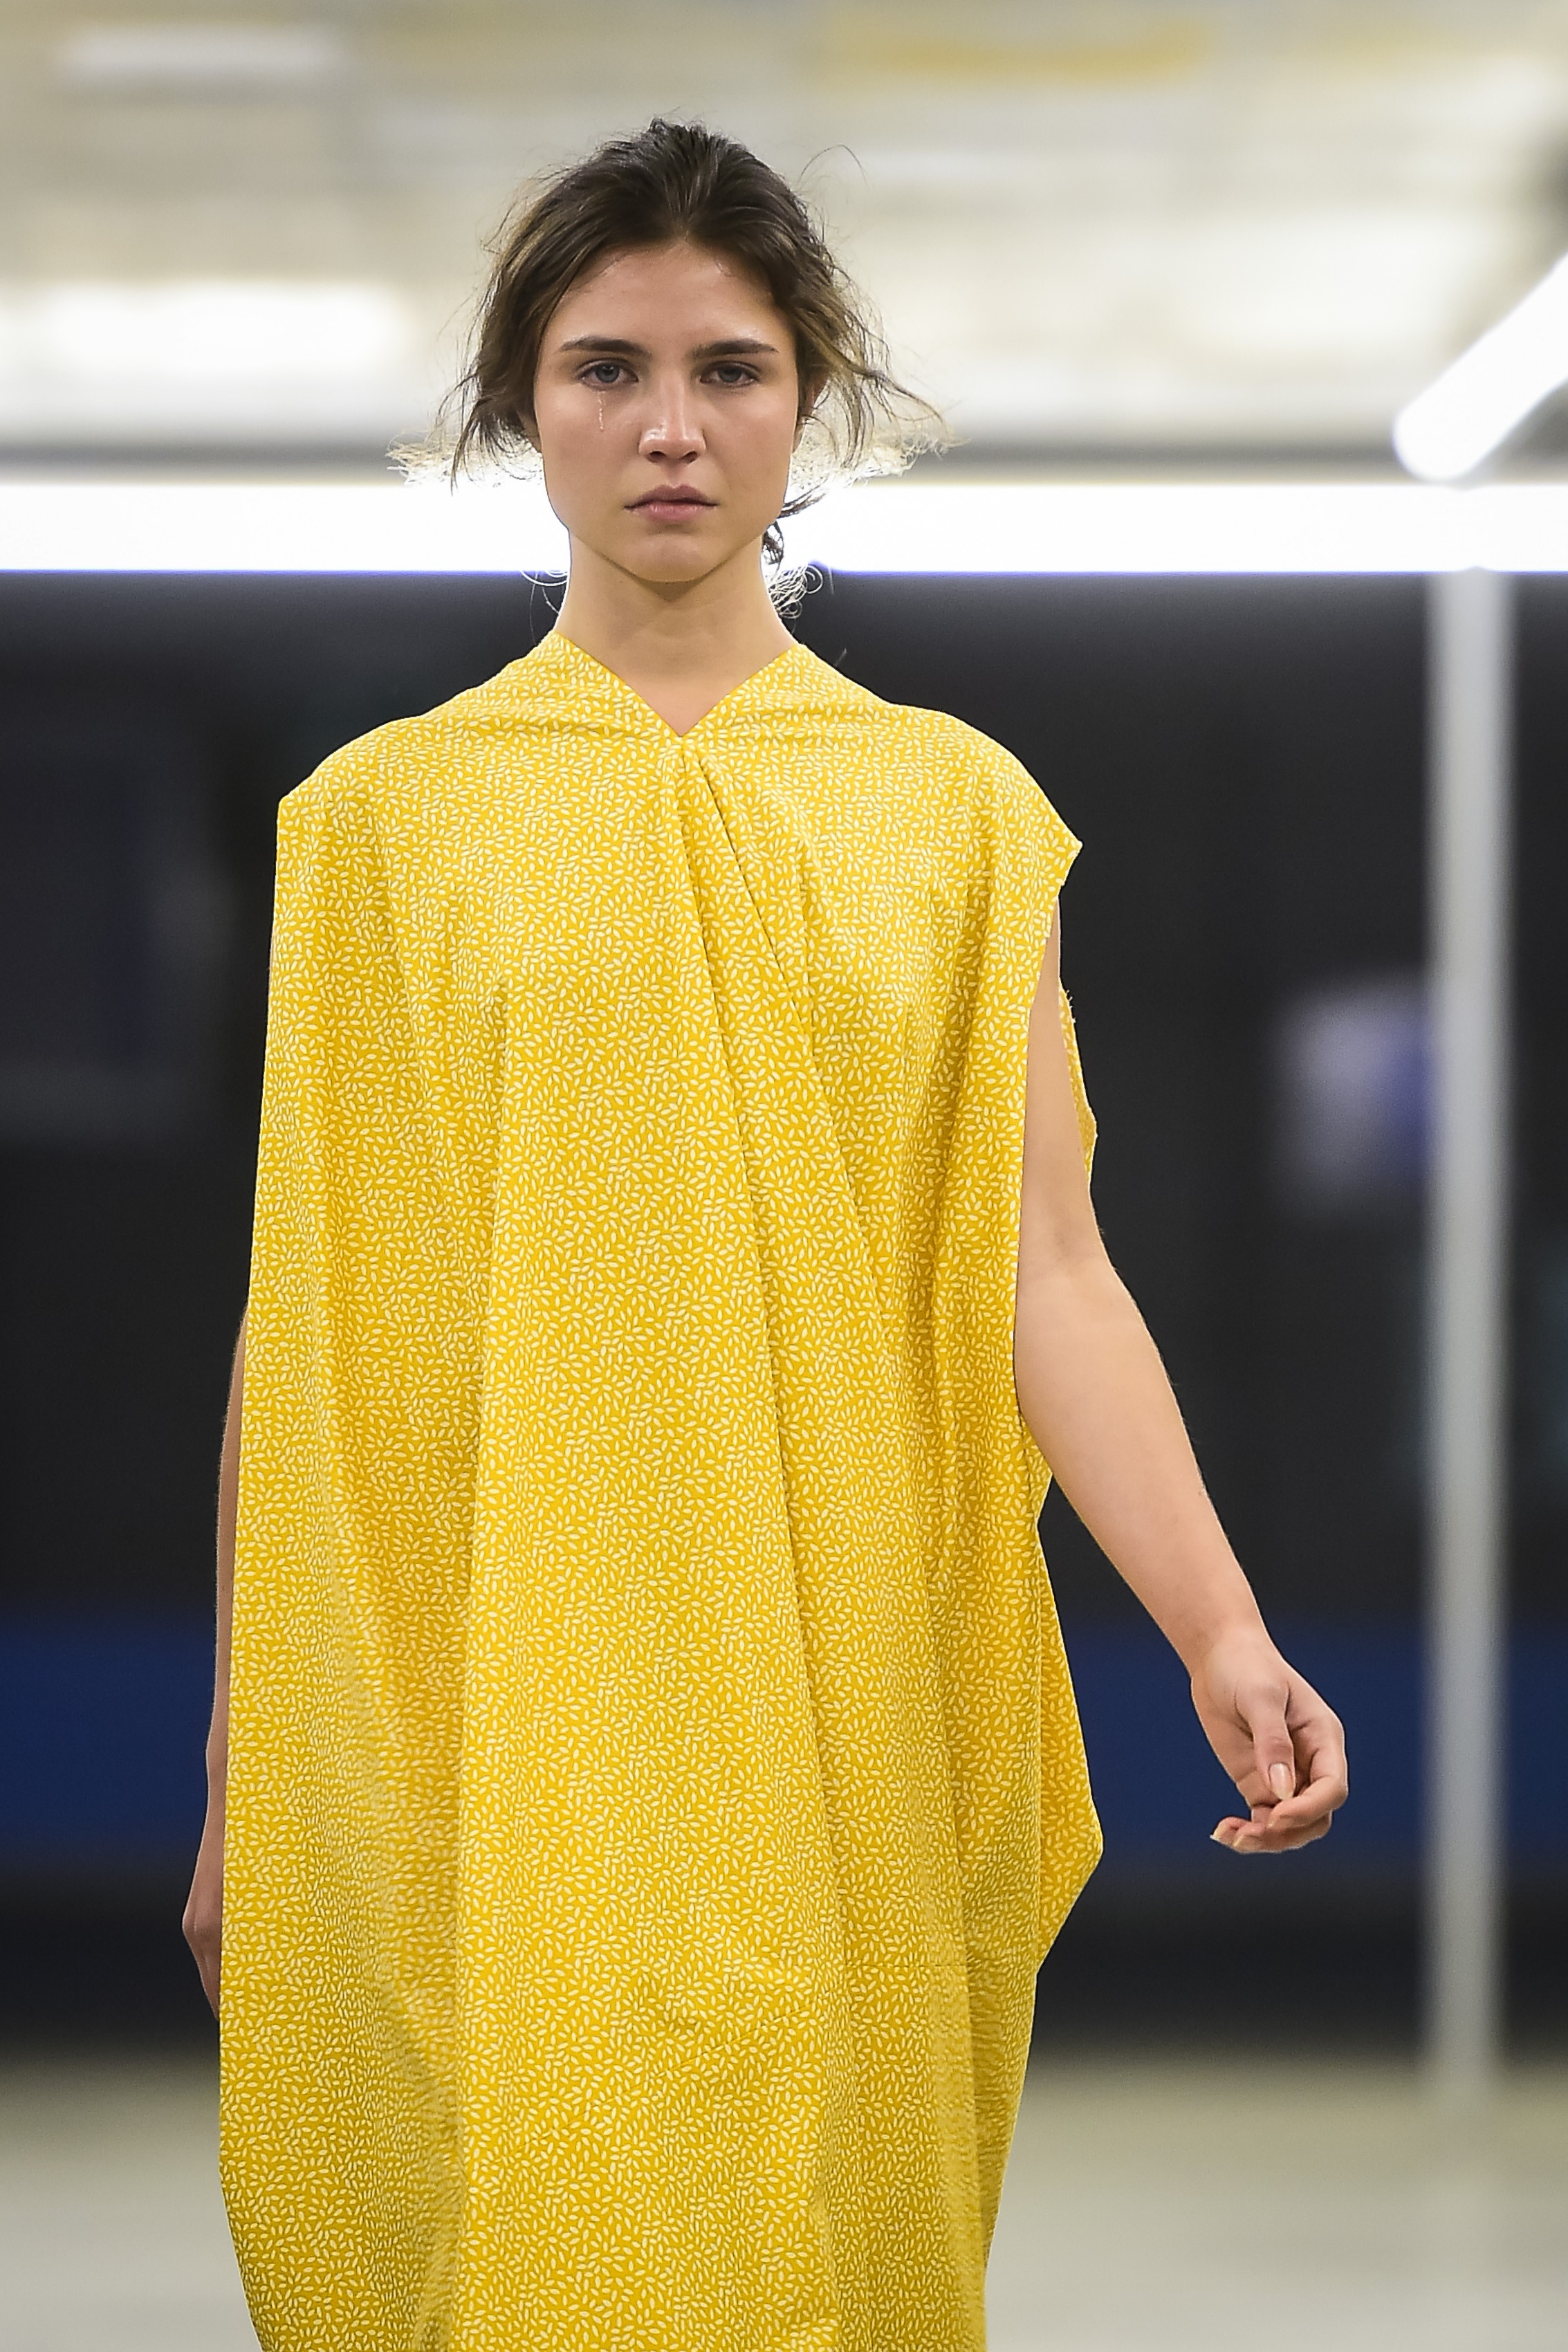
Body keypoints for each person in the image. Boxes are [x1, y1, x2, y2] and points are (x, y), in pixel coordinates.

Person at [183, 118, 1347, 2352]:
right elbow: (312, 1324)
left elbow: (1045, 1269)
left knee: (827, 2236)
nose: (668, 427)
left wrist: (1215, 1626)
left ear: (807, 402)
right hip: (500, 1684)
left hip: (845, 1672)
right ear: (521, 403)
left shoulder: (952, 815)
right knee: (517, 2240)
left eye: (727, 369)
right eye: (604, 368)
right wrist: (253, 1765)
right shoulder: (384, 827)